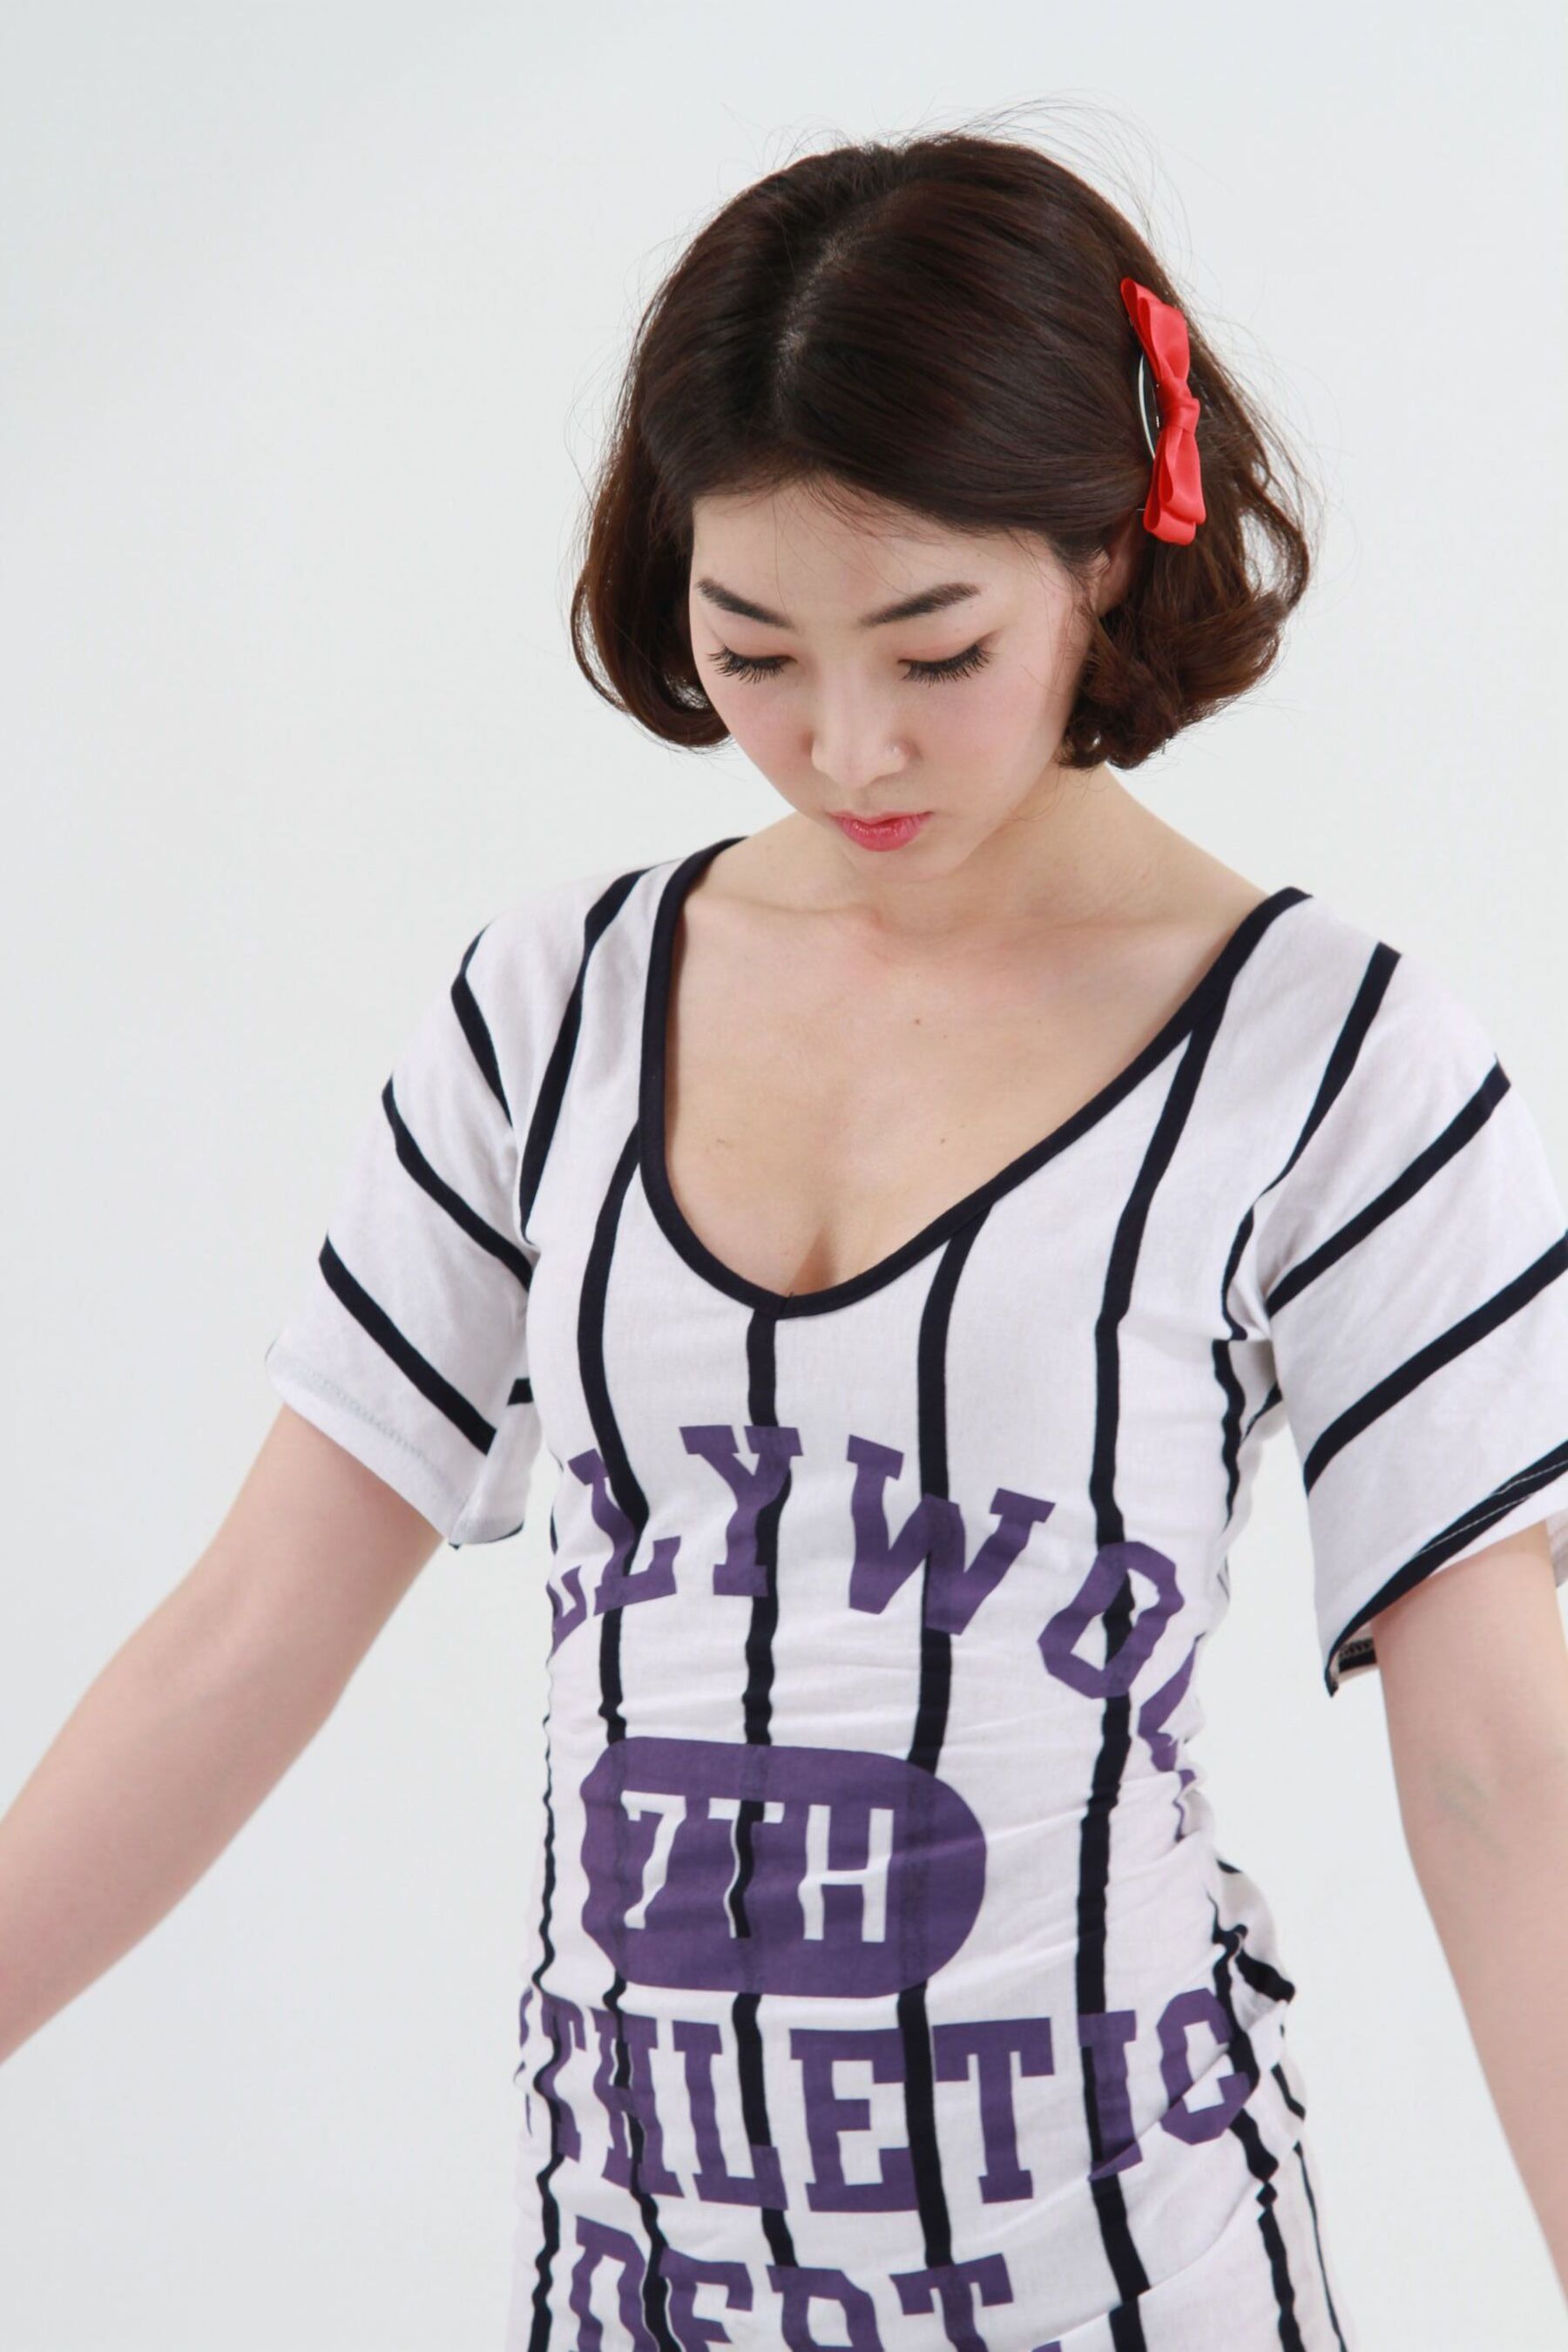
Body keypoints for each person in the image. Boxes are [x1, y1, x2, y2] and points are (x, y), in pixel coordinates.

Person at [4, 124, 1566, 2350]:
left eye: (939, 648)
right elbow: (244, 1635)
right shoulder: (550, 1013)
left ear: (1105, 554)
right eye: (752, 652)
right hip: (631, 2286)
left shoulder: (1336, 1059)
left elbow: (1504, 1770)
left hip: (1138, 2284)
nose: (847, 748)